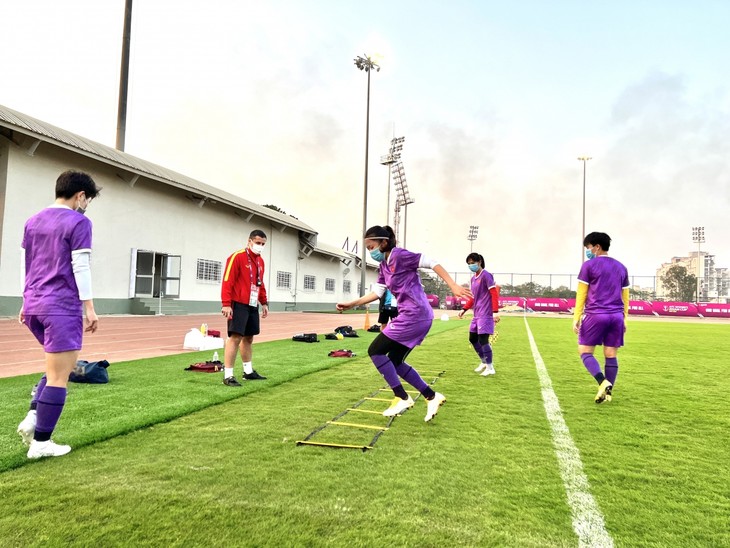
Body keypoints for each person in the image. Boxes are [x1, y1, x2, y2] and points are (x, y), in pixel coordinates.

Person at [336, 225, 472, 422]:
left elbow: (431, 262)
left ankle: (401, 396)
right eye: (367, 248)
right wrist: (352, 304)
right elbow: (378, 292)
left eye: (371, 246)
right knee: (395, 361)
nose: (370, 252)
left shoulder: (400, 255)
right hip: (412, 315)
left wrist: (452, 285)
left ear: (383, 242)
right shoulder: (384, 265)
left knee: (375, 350)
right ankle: (431, 396)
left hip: (415, 315)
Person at [16, 170, 101, 458]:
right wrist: (89, 306)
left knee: (56, 368)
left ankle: (33, 417)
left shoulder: (32, 221)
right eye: (87, 199)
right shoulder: (79, 221)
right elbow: (80, 265)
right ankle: (41, 442)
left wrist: (25, 301)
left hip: (34, 305)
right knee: (58, 377)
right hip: (61, 305)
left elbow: (27, 264)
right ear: (80, 196)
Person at [573, 232, 629, 403]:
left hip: (596, 315)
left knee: (584, 351)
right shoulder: (621, 267)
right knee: (611, 354)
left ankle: (602, 382)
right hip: (616, 316)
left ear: (597, 247)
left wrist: (576, 316)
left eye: (588, 248)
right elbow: (625, 295)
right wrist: (624, 318)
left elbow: (582, 293)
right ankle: (608, 394)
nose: (588, 251)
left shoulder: (588, 266)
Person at [220, 229, 269, 386]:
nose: (260, 246)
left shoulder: (260, 261)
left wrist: (264, 302)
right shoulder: (237, 257)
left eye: (263, 244)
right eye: (257, 243)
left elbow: (260, 283)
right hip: (238, 303)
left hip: (252, 303)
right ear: (249, 241)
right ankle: (228, 375)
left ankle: (248, 372)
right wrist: (226, 304)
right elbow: (228, 280)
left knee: (249, 337)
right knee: (235, 337)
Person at [458, 253, 500, 376]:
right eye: (469, 264)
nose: (471, 265)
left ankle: (490, 368)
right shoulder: (473, 279)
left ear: (479, 262)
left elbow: (494, 294)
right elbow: (473, 297)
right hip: (477, 314)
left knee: (483, 340)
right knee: (472, 338)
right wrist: (464, 309)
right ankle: (484, 361)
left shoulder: (487, 275)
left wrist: (495, 313)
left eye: (472, 263)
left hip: (486, 314)